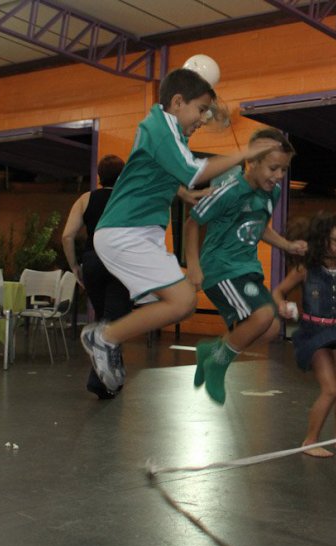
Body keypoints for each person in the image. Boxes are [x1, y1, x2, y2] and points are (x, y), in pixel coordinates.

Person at [80, 67, 281, 393]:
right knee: (183, 300)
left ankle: (108, 338)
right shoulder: (163, 128)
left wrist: (183, 193)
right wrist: (245, 151)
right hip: (125, 232)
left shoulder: (159, 127)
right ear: (177, 102)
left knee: (170, 302)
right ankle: (103, 337)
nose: (203, 119)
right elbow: (192, 170)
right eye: (201, 110)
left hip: (137, 233)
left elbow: (150, 170)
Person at [184, 127, 306, 404]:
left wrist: (287, 245)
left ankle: (211, 352)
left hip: (245, 269)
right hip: (220, 267)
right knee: (262, 316)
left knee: (272, 327)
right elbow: (192, 222)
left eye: (284, 170)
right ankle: (218, 364)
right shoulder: (228, 191)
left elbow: (259, 228)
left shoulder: (270, 194)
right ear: (252, 162)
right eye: (273, 168)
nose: (278, 177)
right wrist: (193, 265)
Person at [273, 212, 336, 457]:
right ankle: (310, 441)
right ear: (323, 240)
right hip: (314, 332)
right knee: (330, 389)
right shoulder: (306, 268)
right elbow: (278, 291)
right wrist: (282, 305)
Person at [62, 155, 130, 399]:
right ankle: (100, 379)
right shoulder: (128, 198)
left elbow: (68, 236)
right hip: (120, 262)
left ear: (100, 176)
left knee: (106, 319)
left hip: (92, 261)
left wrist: (74, 266)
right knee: (114, 321)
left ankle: (110, 381)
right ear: (123, 175)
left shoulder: (85, 199)